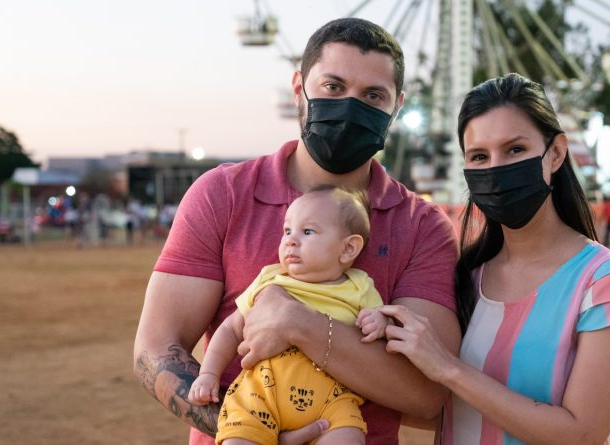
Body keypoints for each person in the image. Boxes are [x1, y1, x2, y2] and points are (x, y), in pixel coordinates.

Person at [133, 17, 460, 445]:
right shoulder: (223, 194)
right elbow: (156, 349)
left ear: (396, 106)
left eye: (372, 96)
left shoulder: (422, 227)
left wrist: (300, 324)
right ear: (298, 88)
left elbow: (427, 394)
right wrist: (250, 428)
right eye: (333, 87)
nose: (350, 108)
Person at [374, 74, 610, 444]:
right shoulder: (464, 277)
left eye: (515, 150)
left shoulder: (608, 282)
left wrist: (447, 368)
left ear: (555, 153)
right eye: (479, 156)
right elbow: (442, 412)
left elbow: (582, 434)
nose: (496, 169)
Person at [189, 186, 389, 445]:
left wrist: (380, 323)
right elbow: (231, 328)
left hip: (331, 403)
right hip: (258, 396)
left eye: (308, 232)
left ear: (349, 248)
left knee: (348, 437)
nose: (290, 240)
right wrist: (208, 374)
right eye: (287, 231)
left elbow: (381, 332)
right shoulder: (269, 279)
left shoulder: (359, 288)